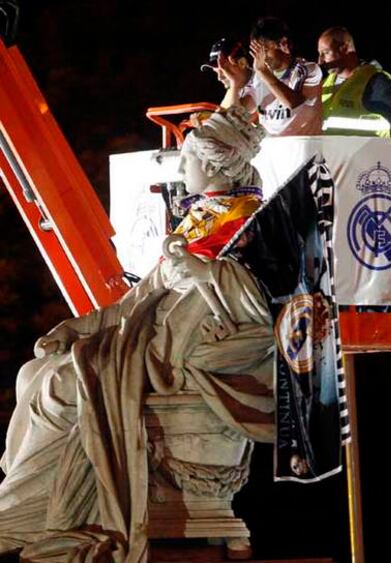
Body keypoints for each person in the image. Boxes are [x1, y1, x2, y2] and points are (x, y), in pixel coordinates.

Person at [0, 107, 275, 561]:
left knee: (61, 383)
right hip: (147, 339)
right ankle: (29, 506)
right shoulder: (200, 218)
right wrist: (78, 326)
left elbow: (264, 304)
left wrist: (207, 273)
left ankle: (27, 516)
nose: (181, 167)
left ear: (211, 165)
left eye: (186, 160)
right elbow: (139, 297)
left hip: (174, 354)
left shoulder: (250, 221)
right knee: (32, 372)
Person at [219, 16, 323, 136]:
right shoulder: (259, 76)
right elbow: (239, 113)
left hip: (303, 149)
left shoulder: (308, 69)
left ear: (283, 43)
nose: (261, 58)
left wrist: (263, 72)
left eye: (264, 51)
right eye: (256, 53)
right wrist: (234, 84)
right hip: (272, 150)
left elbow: (294, 103)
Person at [318, 26, 391, 137]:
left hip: (369, 152)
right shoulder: (324, 84)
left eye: (325, 53)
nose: (320, 61)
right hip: (331, 153)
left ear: (344, 48)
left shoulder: (374, 82)